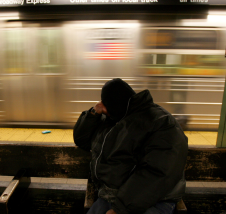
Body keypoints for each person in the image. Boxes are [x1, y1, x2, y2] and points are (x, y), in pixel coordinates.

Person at [73, 78, 188, 214]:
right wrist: (93, 113)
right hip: (112, 196)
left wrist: (120, 209)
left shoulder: (161, 123)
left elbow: (157, 173)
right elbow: (81, 140)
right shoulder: (113, 118)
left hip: (153, 199)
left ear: (118, 104)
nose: (105, 109)